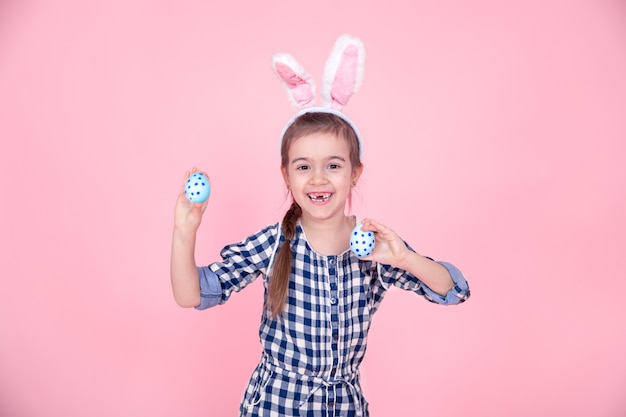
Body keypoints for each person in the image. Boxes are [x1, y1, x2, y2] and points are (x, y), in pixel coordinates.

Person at [170, 35, 470, 417]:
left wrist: (406, 258)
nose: (318, 179)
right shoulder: (272, 243)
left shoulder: (375, 247)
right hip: (275, 406)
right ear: (287, 176)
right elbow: (191, 294)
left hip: (344, 406)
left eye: (333, 165)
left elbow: (453, 290)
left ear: (354, 173)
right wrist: (185, 231)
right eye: (303, 167)